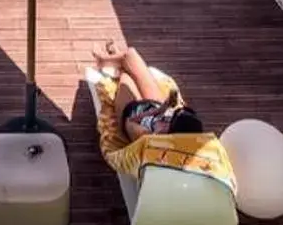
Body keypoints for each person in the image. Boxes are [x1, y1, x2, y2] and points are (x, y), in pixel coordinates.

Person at [90, 39, 233, 194]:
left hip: (131, 110)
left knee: (126, 75)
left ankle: (107, 58)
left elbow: (130, 121)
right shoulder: (169, 125)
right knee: (131, 54)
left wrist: (155, 114)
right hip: (155, 104)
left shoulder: (146, 137)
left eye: (169, 121)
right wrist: (163, 109)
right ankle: (111, 57)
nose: (168, 118)